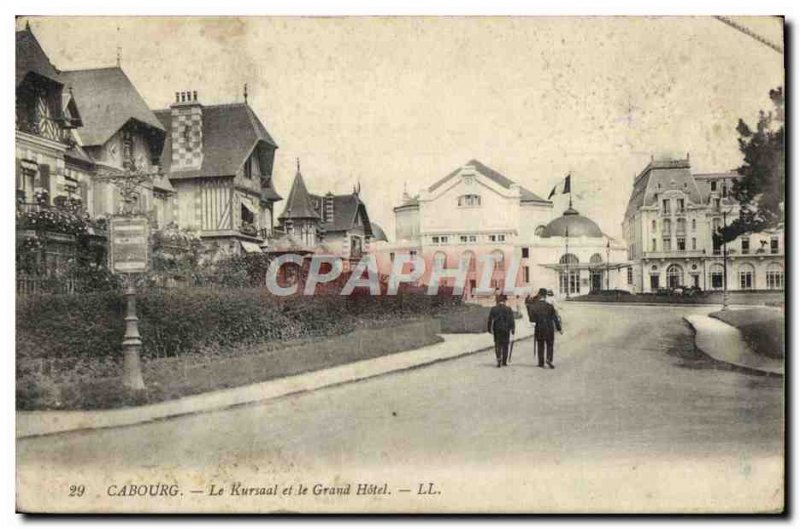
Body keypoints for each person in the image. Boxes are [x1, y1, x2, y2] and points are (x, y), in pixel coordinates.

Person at [526, 288, 562, 369]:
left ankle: (541, 362)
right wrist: (559, 329)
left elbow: (532, 319)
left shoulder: (535, 307)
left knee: (540, 345)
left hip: (539, 328)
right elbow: (555, 318)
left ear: (539, 295)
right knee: (550, 344)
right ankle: (549, 359)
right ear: (545, 296)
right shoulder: (550, 306)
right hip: (549, 328)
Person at [487, 294, 516, 368]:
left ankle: (498, 358)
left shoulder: (494, 309)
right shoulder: (508, 309)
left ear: (498, 301)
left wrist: (489, 329)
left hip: (497, 329)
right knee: (505, 345)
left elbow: (490, 320)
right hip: (506, 329)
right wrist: (513, 329)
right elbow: (512, 320)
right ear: (504, 300)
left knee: (497, 344)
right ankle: (504, 361)